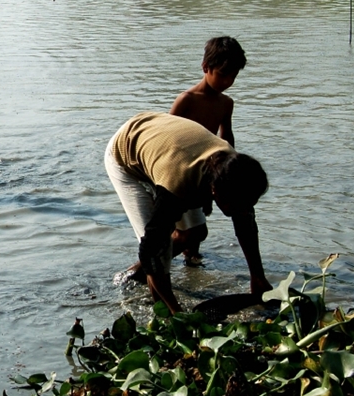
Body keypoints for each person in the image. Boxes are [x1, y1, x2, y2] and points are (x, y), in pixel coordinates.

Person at [104, 112, 272, 314]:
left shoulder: (233, 169)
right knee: (159, 251)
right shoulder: (179, 185)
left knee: (194, 233)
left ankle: (138, 273)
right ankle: (149, 294)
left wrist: (257, 276)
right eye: (239, 205)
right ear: (215, 191)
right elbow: (153, 246)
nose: (243, 209)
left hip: (167, 145)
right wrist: (177, 312)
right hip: (126, 153)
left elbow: (245, 223)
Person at [167, 36, 247, 266]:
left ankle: (192, 259)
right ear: (206, 68)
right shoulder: (187, 100)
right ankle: (160, 260)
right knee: (182, 220)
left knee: (201, 213)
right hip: (181, 167)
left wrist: (229, 165)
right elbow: (168, 136)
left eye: (233, 76)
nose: (228, 81)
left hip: (207, 167)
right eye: (223, 74)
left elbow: (226, 136)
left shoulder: (226, 103)